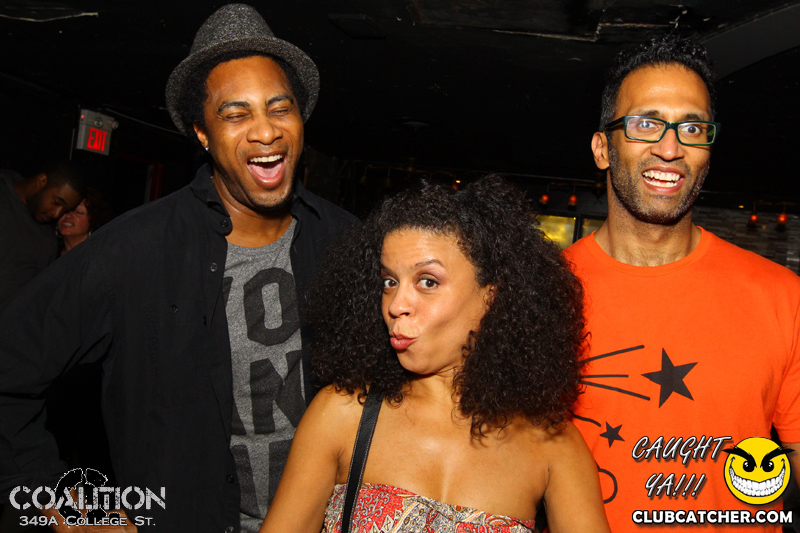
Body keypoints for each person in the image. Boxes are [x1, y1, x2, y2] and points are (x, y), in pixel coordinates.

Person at [0, 4, 355, 532]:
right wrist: (67, 505)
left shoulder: (347, 243)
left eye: (280, 108)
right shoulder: (134, 249)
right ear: (202, 133)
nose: (266, 131)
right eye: (236, 114)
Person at [261, 176, 610, 533]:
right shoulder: (343, 414)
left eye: (428, 281)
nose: (396, 304)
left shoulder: (553, 448)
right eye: (389, 282)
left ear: (491, 297)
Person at [564, 34, 800, 531]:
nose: (670, 149)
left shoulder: (782, 297)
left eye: (692, 128)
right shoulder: (537, 295)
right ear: (603, 148)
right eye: (646, 124)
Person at [0, 162, 85, 308]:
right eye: (56, 202)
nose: (56, 213)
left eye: (64, 210)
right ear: (41, 181)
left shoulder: (46, 240)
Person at [56, 187, 114, 255]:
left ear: (92, 220)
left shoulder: (101, 254)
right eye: (66, 210)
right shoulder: (49, 254)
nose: (68, 216)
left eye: (79, 212)